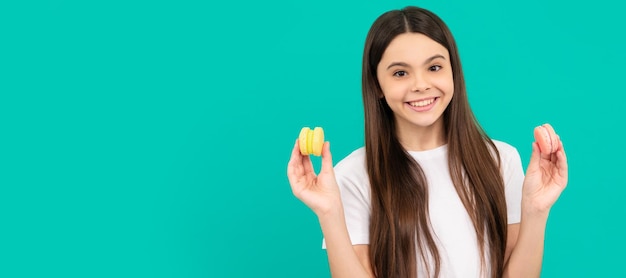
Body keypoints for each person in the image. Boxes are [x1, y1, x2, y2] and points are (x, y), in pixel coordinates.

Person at [287, 6, 568, 278]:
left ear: (453, 72)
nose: (420, 84)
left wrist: (536, 211)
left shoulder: (499, 159)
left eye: (434, 67)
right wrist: (329, 214)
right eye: (400, 73)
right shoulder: (352, 175)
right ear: (376, 85)